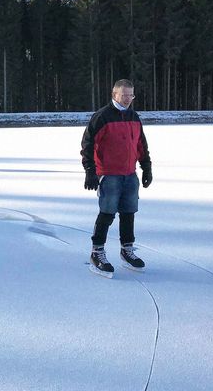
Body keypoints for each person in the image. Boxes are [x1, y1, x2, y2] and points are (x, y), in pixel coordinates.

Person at [81, 79, 152, 278]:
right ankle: (97, 253)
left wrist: (146, 167)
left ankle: (127, 250)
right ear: (114, 95)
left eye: (131, 95)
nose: (128, 99)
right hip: (109, 174)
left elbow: (140, 144)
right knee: (107, 213)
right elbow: (87, 144)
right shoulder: (102, 117)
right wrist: (90, 171)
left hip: (129, 173)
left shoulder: (134, 116)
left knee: (129, 212)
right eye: (124, 95)